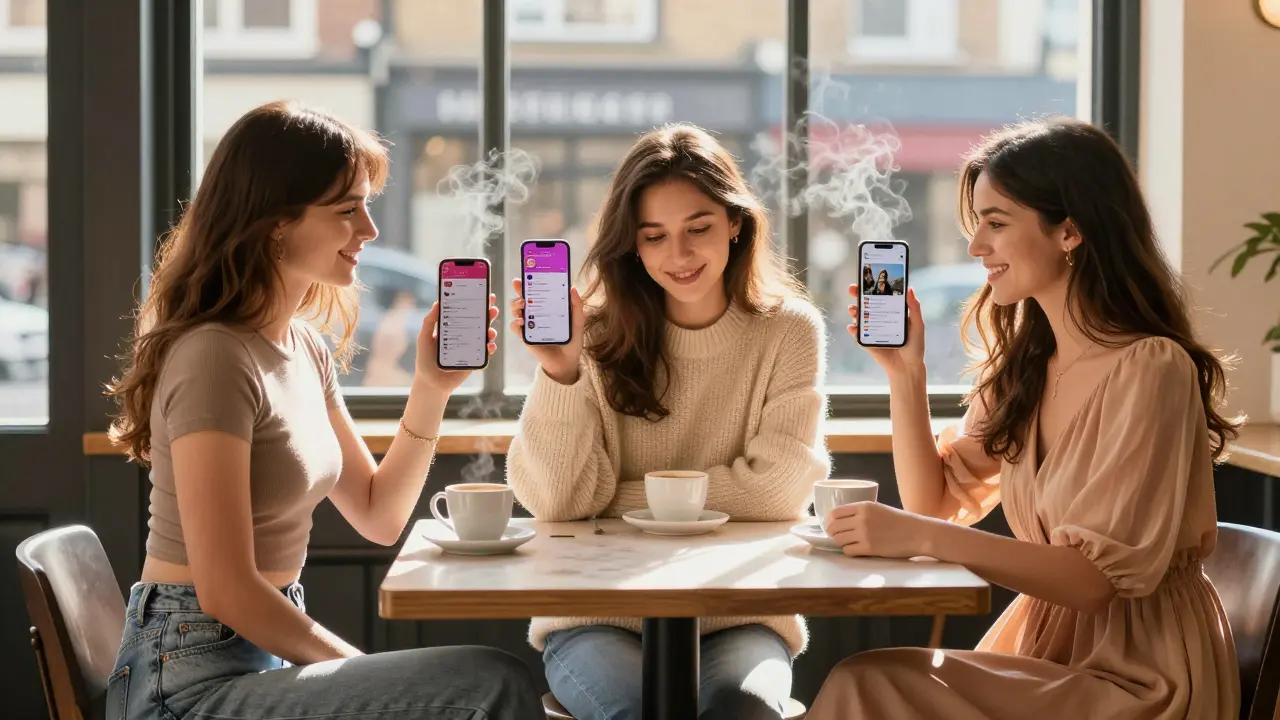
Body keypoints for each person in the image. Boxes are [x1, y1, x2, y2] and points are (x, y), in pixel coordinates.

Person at [103, 101, 543, 720]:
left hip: (261, 661)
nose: (369, 229)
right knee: (488, 682)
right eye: (347, 211)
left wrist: (432, 386)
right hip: (186, 682)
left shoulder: (302, 345)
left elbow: (378, 515)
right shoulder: (213, 358)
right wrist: (360, 670)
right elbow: (227, 589)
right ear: (276, 224)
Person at [807, 117, 1241, 719]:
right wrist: (905, 374)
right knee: (867, 682)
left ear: (1070, 230)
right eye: (976, 223)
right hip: (1053, 653)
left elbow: (1091, 582)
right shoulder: (1029, 366)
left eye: (996, 223)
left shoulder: (1151, 367)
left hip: (1140, 673)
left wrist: (921, 538)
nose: (976, 246)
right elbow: (935, 503)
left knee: (869, 683)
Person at [505, 123, 830, 720]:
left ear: (736, 223)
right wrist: (561, 370)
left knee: (740, 710)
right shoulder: (594, 335)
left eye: (698, 229)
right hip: (597, 615)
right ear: (634, 246)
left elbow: (781, 488)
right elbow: (557, 501)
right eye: (654, 237)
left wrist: (617, 501)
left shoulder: (790, 331)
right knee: (637, 710)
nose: (677, 256)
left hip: (741, 613)